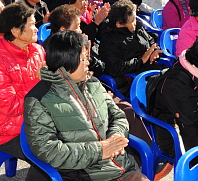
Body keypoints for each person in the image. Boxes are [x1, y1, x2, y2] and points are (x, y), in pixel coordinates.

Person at [24, 30, 148, 181]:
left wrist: (115, 136)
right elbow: (47, 149)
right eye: (83, 59)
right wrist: (100, 150)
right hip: (83, 174)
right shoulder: (39, 98)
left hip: (121, 168)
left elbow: (118, 115)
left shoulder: (93, 84)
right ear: (67, 61)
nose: (88, 62)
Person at [0, 2, 48, 180]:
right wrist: (36, 81)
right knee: (52, 154)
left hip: (37, 120)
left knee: (77, 138)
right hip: (7, 129)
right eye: (32, 25)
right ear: (16, 31)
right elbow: (10, 107)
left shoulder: (37, 50)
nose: (37, 29)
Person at [99, 0, 162, 95]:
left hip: (152, 71)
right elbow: (116, 67)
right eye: (132, 21)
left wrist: (154, 51)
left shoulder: (137, 29)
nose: (135, 23)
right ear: (119, 24)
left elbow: (152, 41)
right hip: (133, 81)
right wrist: (141, 61)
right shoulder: (109, 41)